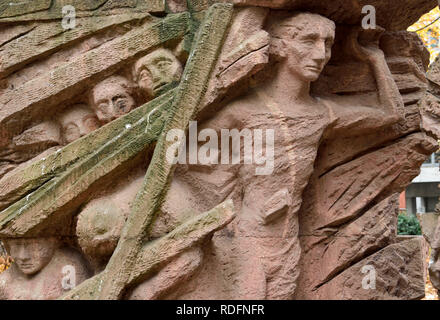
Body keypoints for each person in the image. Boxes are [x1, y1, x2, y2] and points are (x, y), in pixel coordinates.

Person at [164, 11, 403, 299]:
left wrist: (375, 59)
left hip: (288, 240)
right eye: (309, 41)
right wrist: (231, 183)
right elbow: (179, 160)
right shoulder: (242, 113)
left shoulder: (320, 114)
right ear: (280, 46)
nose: (321, 54)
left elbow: (390, 114)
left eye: (327, 43)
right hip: (244, 239)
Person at [0, 237, 90, 299]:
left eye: (33, 246)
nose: (23, 257)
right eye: (17, 246)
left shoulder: (68, 268)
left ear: (53, 242)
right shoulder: (5, 281)